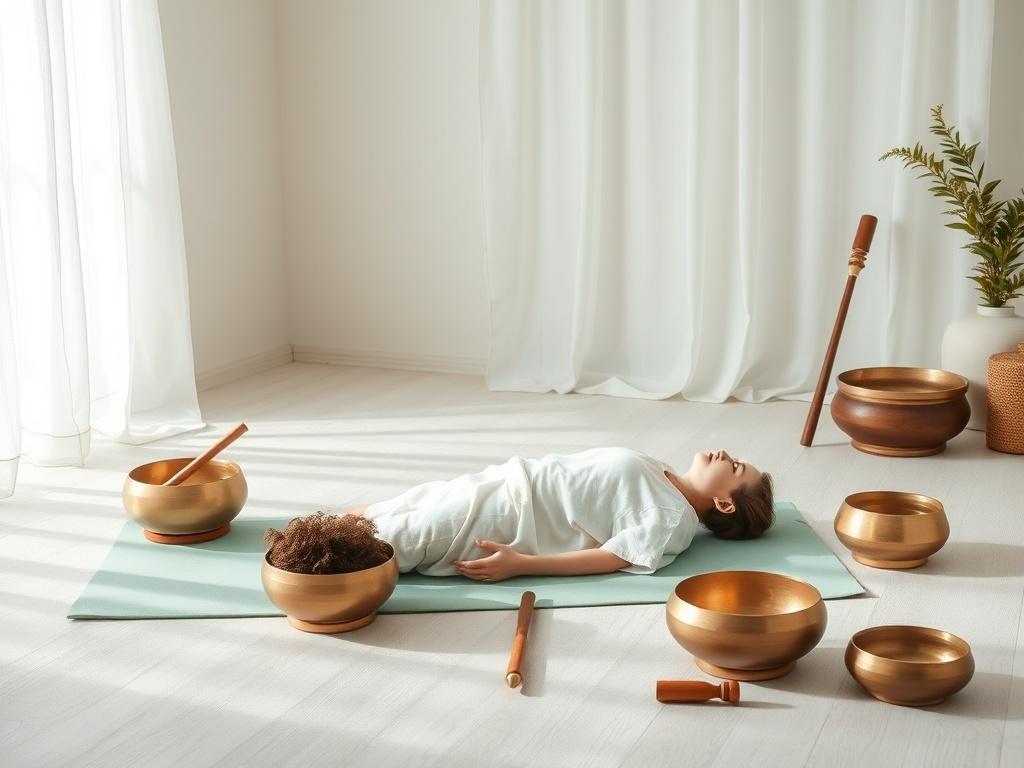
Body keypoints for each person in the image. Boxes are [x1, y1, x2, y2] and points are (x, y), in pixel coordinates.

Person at [344, 447, 774, 582]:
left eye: (734, 467)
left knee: (386, 541)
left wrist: (522, 565)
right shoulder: (663, 474)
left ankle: (306, 567)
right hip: (504, 481)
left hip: (507, 516)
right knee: (384, 510)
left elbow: (614, 557)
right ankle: (311, 536)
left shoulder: (670, 519)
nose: (725, 454)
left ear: (724, 503)